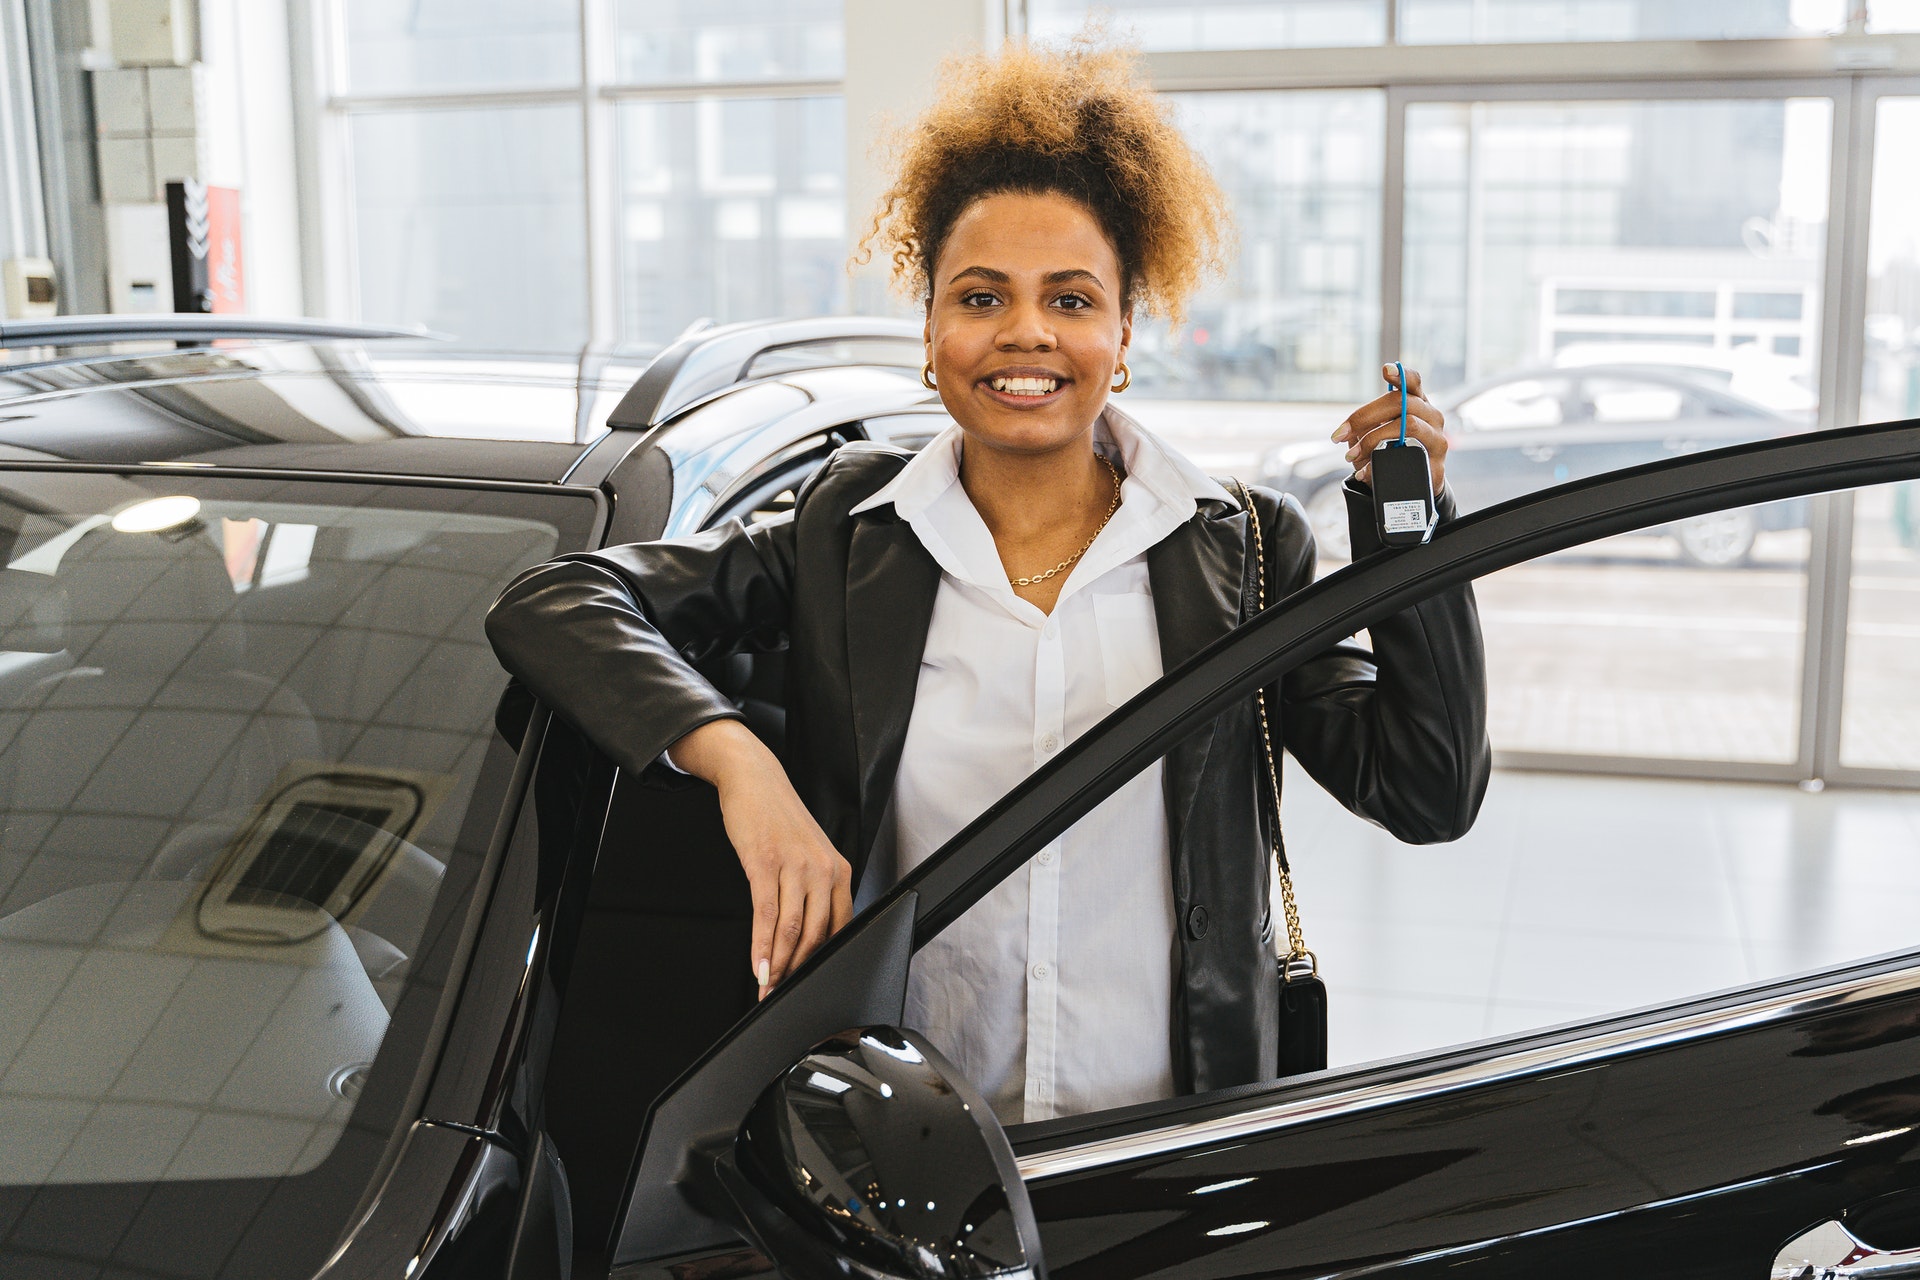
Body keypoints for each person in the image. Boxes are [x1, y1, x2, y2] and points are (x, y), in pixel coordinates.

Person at [485, 36, 1489, 1126]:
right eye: (980, 297)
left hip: (1159, 1146)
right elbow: (557, 602)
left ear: (1123, 331)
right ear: (929, 329)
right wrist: (742, 770)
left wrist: (1411, 532)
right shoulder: (845, 535)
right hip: (907, 1155)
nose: (1025, 333)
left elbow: (1425, 788)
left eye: (1069, 298)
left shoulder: (1241, 548)